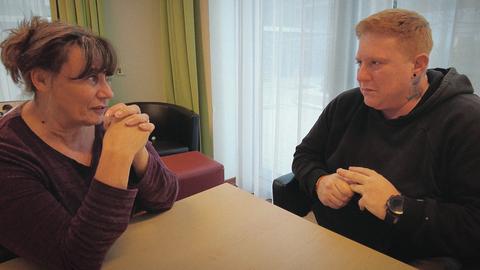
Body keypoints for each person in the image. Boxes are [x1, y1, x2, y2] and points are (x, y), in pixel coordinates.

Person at [292, 8, 479, 269]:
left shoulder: (467, 122)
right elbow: (305, 155)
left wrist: (396, 207)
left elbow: (473, 226)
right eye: (360, 62)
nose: (361, 76)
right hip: (329, 241)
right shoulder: (347, 104)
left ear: (417, 65)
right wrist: (319, 181)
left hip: (408, 257)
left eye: (375, 63)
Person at [0, 17, 178, 269]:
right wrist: (115, 156)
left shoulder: (103, 121)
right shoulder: (9, 152)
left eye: (107, 77)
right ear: (40, 80)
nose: (108, 93)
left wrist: (138, 152)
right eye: (91, 78)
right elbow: (74, 260)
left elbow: (166, 196)